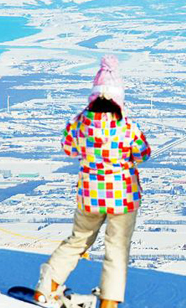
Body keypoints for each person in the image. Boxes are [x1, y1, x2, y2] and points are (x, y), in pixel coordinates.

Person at [35, 55, 151, 308]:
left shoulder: (78, 124)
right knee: (116, 251)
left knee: (78, 240)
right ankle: (108, 303)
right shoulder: (127, 127)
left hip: (89, 194)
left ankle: (47, 287)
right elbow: (143, 153)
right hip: (123, 196)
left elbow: (68, 149)